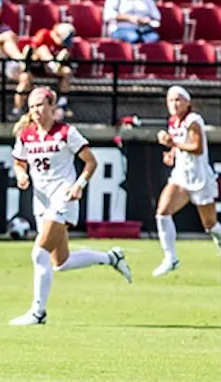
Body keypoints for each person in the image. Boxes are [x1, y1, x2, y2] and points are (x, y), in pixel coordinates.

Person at [8, 87, 131, 326]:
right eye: (31, 106)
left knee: (38, 253)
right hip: (41, 201)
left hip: (63, 198)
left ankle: (38, 312)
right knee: (60, 262)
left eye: (40, 105)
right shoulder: (26, 135)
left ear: (52, 107)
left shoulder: (66, 132)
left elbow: (90, 162)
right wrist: (21, 175)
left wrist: (79, 185)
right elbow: (18, 162)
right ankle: (110, 258)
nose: (35, 110)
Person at [152, 85, 221, 285]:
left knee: (210, 225)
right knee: (162, 212)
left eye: (178, 100)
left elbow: (197, 148)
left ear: (187, 102)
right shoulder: (174, 122)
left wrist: (173, 144)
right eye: (171, 100)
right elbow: (180, 147)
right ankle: (170, 257)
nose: (174, 104)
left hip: (200, 179)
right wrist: (171, 154)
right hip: (181, 177)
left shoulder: (193, 120)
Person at [15, 22, 75, 100]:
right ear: (57, 35)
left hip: (52, 69)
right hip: (35, 65)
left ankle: (62, 103)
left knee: (67, 72)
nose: (64, 44)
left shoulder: (64, 48)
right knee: (42, 49)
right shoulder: (44, 33)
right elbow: (32, 49)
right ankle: (16, 110)